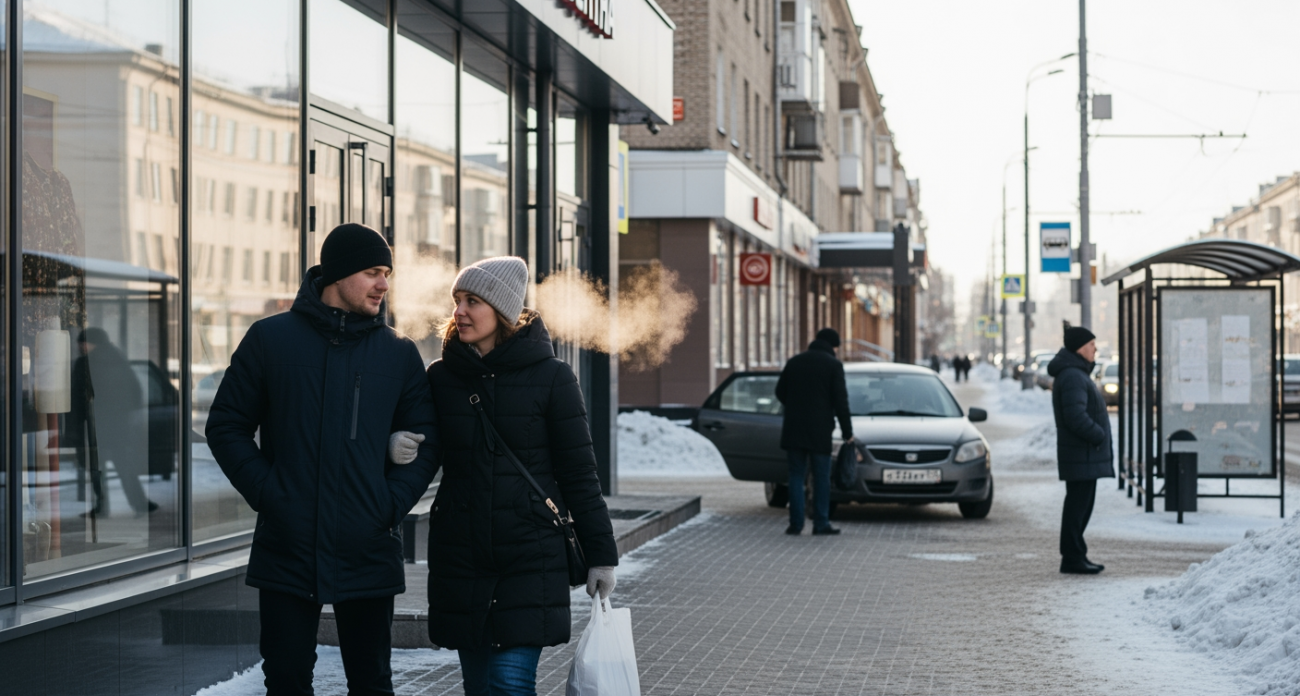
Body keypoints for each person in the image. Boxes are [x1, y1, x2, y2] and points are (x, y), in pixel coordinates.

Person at [206, 223, 438, 695]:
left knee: (371, 682)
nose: (384, 284)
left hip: (367, 545)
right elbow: (226, 426)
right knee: (286, 680)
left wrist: (388, 504)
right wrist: (271, 495)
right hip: (288, 546)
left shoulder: (397, 353)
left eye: (387, 273)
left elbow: (428, 440)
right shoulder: (270, 339)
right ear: (337, 274)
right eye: (373, 272)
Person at [388, 256, 617, 696]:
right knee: (478, 686)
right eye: (457, 300)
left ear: (504, 311)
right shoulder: (441, 377)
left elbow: (579, 473)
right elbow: (426, 450)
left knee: (509, 683)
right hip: (462, 552)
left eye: (473, 301)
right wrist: (395, 446)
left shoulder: (553, 378)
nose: (460, 311)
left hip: (530, 553)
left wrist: (601, 553)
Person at [774, 327, 854, 536]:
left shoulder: (795, 362)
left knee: (795, 476)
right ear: (832, 346)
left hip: (794, 429)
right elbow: (841, 402)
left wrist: (795, 406)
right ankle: (821, 523)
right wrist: (848, 432)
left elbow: (780, 391)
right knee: (821, 478)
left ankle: (796, 524)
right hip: (820, 430)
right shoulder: (833, 366)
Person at [1047, 326, 1114, 575]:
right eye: (1091, 344)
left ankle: (1076, 555)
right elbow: (1075, 416)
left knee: (1079, 507)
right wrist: (1098, 434)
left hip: (1082, 455)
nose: (1095, 349)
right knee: (1077, 508)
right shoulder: (1074, 376)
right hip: (1081, 454)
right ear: (1079, 348)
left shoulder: (1075, 373)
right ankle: (1073, 558)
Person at [67, 327, 153, 517]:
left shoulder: (84, 364)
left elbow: (76, 398)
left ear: (91, 343)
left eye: (83, 343)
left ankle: (102, 506)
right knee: (124, 466)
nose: (80, 347)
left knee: (97, 469)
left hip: (95, 425)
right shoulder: (119, 360)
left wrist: (75, 425)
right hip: (118, 425)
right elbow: (136, 392)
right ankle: (140, 504)